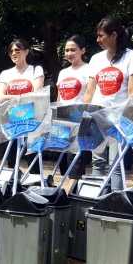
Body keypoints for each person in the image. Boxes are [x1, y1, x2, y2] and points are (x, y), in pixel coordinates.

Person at [82, 16, 133, 191]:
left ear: (113, 35)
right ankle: (96, 201)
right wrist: (84, 115)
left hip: (119, 117)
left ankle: (115, 203)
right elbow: (90, 91)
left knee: (116, 164)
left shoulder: (132, 57)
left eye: (101, 36)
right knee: (97, 162)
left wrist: (130, 119)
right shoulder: (96, 59)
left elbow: (132, 92)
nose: (98, 40)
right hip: (97, 115)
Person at [0, 39, 44, 173]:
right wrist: (24, 96)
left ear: (26, 51)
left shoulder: (36, 70)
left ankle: (34, 186)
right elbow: (1, 97)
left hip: (32, 119)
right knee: (12, 157)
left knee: (32, 156)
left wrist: (15, 98)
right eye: (11, 51)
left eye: (17, 50)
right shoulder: (5, 74)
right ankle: (13, 187)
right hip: (12, 120)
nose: (13, 53)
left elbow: (36, 94)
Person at [56, 35, 90, 186]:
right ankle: (68, 186)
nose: (69, 53)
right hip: (62, 118)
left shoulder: (89, 69)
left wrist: (83, 115)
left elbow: (90, 93)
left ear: (82, 50)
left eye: (73, 50)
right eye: (66, 50)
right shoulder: (63, 72)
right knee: (63, 156)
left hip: (79, 117)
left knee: (75, 156)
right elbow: (59, 96)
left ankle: (72, 190)